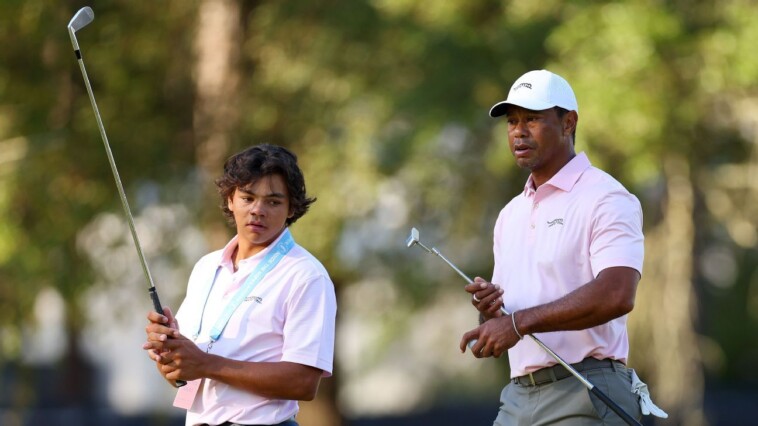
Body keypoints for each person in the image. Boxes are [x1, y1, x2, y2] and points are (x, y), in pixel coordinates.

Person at [459, 70, 665, 425]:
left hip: (586, 391)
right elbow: (510, 318)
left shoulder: (607, 197)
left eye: (533, 119)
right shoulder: (510, 215)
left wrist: (518, 324)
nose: (519, 131)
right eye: (512, 122)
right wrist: (490, 311)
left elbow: (617, 294)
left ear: (568, 123)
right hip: (518, 396)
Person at [143, 144, 336, 426]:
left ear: (292, 207)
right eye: (247, 198)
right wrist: (170, 351)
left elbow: (303, 383)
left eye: (273, 201)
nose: (257, 210)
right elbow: (183, 377)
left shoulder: (306, 275)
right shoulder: (206, 267)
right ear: (230, 199)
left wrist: (206, 364)